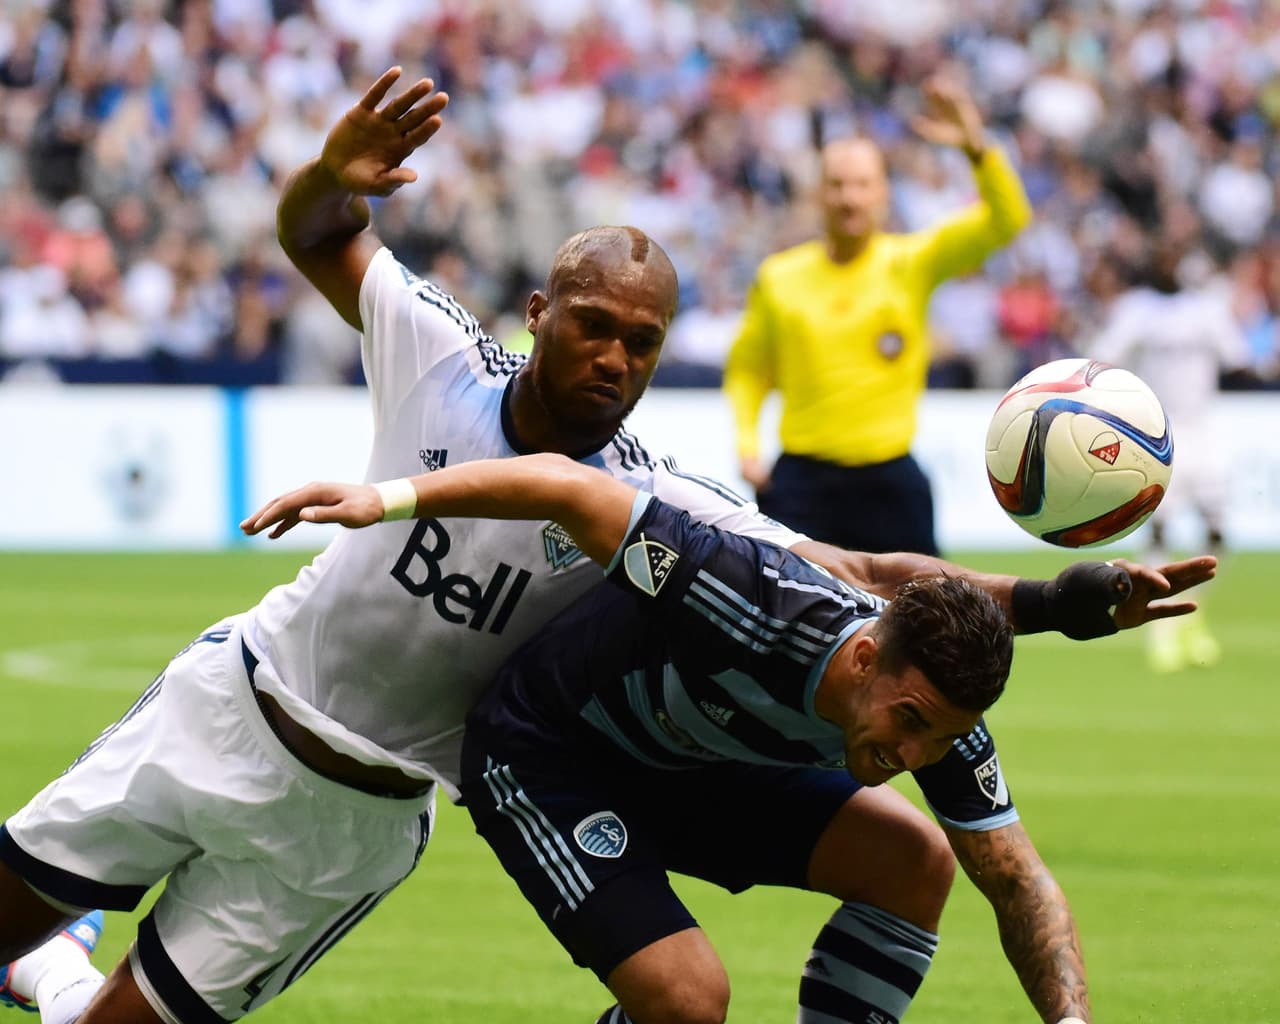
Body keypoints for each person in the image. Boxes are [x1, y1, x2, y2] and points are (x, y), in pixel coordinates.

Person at [0, 66, 1149, 1024]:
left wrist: (1063, 598)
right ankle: (42, 954)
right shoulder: (439, 354)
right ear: (539, 312)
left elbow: (855, 573)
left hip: (359, 821)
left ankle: (53, 976)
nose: (612, 357)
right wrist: (328, 174)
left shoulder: (653, 503)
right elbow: (315, 232)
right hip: (232, 708)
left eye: (640, 344)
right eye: (592, 325)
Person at [241, 454, 1216, 1024]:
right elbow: (566, 486)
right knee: (687, 997)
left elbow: (1016, 877)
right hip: (549, 753)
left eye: (935, 738)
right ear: (865, 659)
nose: (910, 754)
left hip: (701, 768)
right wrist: (389, 497)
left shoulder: (936, 714)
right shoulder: (742, 591)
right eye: (908, 723)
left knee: (916, 860)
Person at [723, 76, 1033, 555]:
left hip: (889, 477)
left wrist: (978, 150)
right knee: (780, 623)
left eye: (862, 185)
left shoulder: (912, 262)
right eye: (838, 185)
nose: (850, 198)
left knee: (933, 621)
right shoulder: (779, 277)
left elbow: (1007, 219)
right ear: (818, 193)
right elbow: (747, 369)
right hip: (801, 481)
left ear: (883, 193)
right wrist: (747, 445)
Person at [1088, 241, 1253, 672]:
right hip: (1155, 437)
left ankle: (1190, 615)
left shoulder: (1207, 310)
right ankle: (1162, 634)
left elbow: (1238, 359)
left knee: (1218, 534)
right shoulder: (1136, 310)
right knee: (1159, 530)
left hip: (1203, 434)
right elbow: (1102, 360)